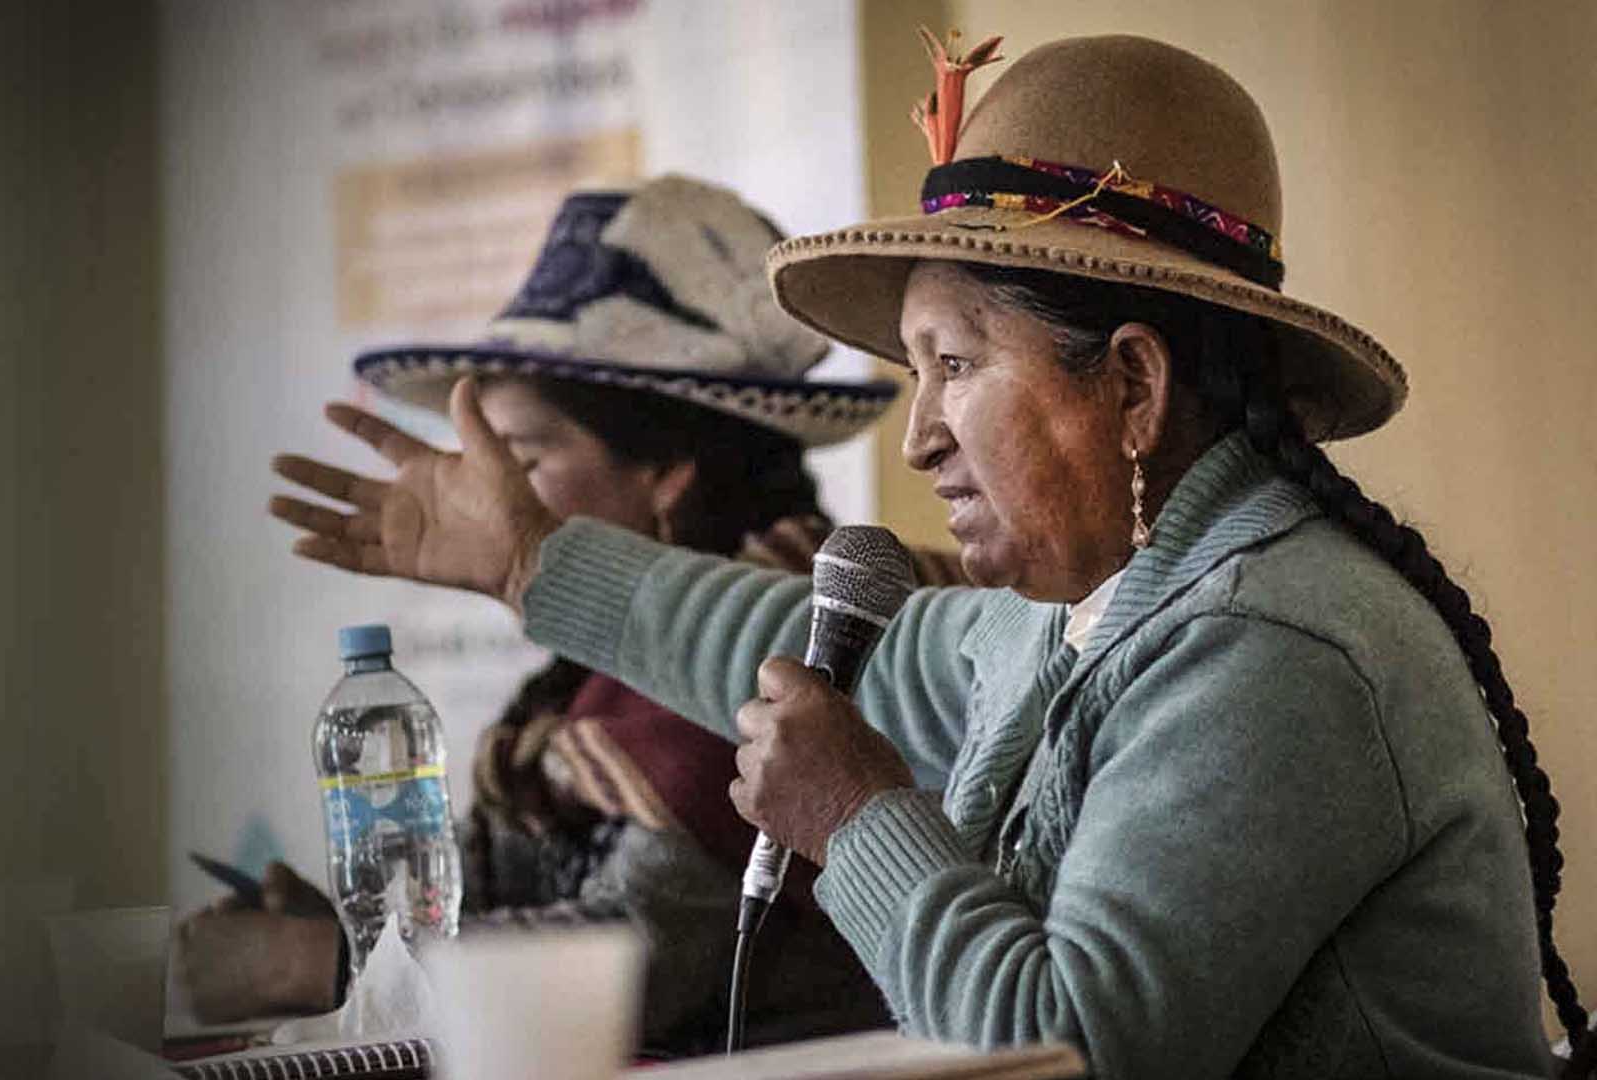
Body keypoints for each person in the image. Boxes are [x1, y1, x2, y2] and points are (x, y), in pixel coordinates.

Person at [268, 32, 1592, 1080]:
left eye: (956, 366)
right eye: (915, 371)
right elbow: (768, 645)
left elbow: (1073, 1046)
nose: (921, 437)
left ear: (1130, 386)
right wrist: (529, 563)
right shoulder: (1087, 608)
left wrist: (857, 822)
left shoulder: (1273, 647)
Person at [192, 175, 929, 1053]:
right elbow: (488, 892)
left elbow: (631, 965)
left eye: (524, 459)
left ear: (666, 475)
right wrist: (349, 932)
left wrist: (323, 965)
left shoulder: (784, 659)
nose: (486, 495)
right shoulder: (578, 690)